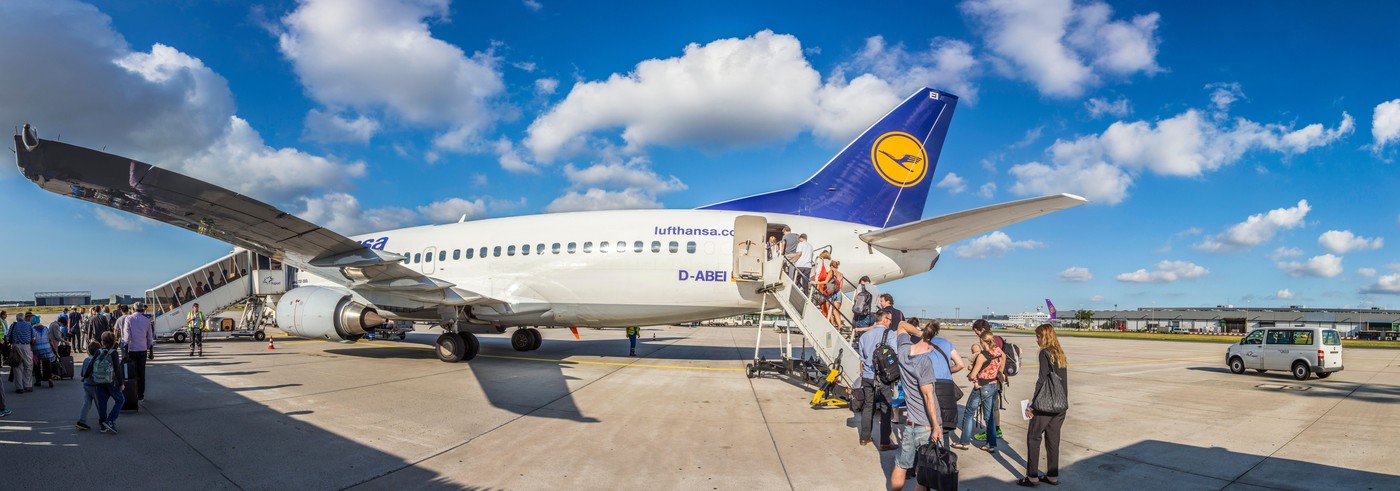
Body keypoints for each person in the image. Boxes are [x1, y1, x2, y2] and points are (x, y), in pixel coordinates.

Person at [888, 317, 942, 491]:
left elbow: (901, 325)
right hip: (925, 426)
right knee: (924, 473)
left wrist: (921, 333)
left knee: (901, 465)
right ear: (930, 344)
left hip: (910, 424)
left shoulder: (904, 351)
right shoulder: (925, 362)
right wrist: (935, 426)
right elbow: (928, 397)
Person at [1021, 324, 1069, 487]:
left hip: (1046, 406)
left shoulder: (1045, 353)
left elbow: (1042, 380)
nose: (1036, 340)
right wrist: (1062, 403)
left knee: (1034, 437)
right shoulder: (1060, 353)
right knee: (1053, 440)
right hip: (1060, 405)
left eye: (1038, 336)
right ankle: (1052, 476)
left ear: (1045, 337)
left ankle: (1032, 476)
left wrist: (1033, 405)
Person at [954, 329, 1004, 453]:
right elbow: (1004, 356)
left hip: (982, 386)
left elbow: (973, 375)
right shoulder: (997, 351)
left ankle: (964, 442)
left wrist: (971, 373)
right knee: (989, 416)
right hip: (993, 385)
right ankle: (990, 444)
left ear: (982, 341)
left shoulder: (982, 356)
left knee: (969, 413)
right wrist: (999, 372)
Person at [856, 310, 897, 451]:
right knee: (886, 406)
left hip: (867, 376)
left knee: (868, 405)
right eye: (890, 319)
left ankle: (864, 437)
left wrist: (862, 376)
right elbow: (895, 354)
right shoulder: (890, 335)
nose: (891, 322)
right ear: (884, 319)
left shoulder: (864, 336)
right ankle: (885, 441)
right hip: (883, 377)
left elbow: (861, 358)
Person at [923, 319, 966, 437]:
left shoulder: (923, 343)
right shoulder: (946, 343)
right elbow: (960, 365)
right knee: (945, 424)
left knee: (930, 422)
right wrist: (948, 370)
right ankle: (944, 452)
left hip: (931, 383)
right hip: (947, 385)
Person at [87, 332, 126, 434]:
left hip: (99, 381)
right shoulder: (113, 353)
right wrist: (121, 383)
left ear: (102, 341)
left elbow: (91, 365)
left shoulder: (98, 351)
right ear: (113, 341)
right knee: (120, 400)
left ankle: (103, 424)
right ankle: (110, 420)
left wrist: (85, 376)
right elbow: (117, 369)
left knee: (102, 403)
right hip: (111, 382)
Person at [119, 303, 155, 401]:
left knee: (132, 374)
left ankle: (133, 393)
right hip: (143, 350)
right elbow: (150, 338)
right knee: (141, 373)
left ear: (133, 309)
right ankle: (141, 395)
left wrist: (125, 352)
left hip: (132, 350)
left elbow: (126, 337)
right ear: (142, 309)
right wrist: (151, 352)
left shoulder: (129, 319)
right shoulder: (147, 320)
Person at [75, 341, 103, 430]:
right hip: (95, 385)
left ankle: (81, 421)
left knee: (86, 403)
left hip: (86, 384)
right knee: (100, 403)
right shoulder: (97, 361)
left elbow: (83, 373)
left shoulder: (86, 360)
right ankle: (103, 419)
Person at [6, 313, 35, 393]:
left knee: (17, 366)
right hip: (26, 346)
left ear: (17, 318)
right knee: (28, 366)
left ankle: (19, 387)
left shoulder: (13, 325)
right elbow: (33, 337)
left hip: (16, 347)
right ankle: (28, 385)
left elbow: (8, 337)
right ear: (24, 318)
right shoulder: (29, 325)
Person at [824, 260, 845, 328]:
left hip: (831, 292)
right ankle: (839, 327)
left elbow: (826, 282)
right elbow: (841, 286)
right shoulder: (841, 274)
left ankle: (832, 325)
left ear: (831, 266)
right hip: (838, 293)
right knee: (835, 311)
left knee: (829, 309)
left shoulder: (831, 272)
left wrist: (816, 282)